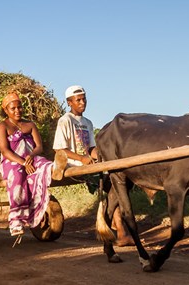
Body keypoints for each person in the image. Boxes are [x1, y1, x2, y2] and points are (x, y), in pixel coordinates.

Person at [53, 85, 134, 247]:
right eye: (78, 100)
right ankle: (121, 231)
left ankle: (119, 229)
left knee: (115, 184)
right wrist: (82, 159)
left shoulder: (87, 123)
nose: (82, 102)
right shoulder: (65, 121)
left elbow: (91, 148)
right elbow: (59, 149)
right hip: (72, 165)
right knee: (114, 186)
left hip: (87, 163)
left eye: (84, 99)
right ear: (70, 102)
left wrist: (103, 157)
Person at [0, 91, 55, 237]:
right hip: (12, 161)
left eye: (19, 107)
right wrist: (23, 163)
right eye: (13, 108)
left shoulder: (30, 125)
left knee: (45, 165)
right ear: (6, 110)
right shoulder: (2, 126)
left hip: (30, 158)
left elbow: (39, 147)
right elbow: (4, 151)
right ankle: (16, 221)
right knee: (17, 175)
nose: (17, 111)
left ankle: (58, 167)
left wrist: (31, 156)